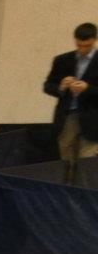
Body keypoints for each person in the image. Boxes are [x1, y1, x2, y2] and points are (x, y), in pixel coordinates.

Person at [44, 22, 98, 181]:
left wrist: (87, 88)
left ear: (94, 40)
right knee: (66, 155)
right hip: (68, 115)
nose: (82, 49)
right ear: (75, 40)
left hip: (93, 117)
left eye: (87, 46)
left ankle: (83, 189)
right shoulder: (62, 60)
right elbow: (48, 86)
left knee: (87, 159)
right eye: (79, 45)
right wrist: (61, 86)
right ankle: (66, 186)